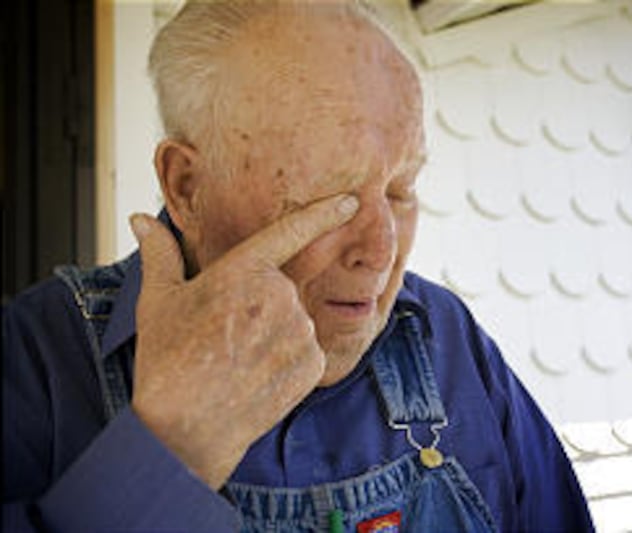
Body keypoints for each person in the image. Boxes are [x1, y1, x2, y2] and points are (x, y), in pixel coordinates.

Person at [2, 1, 594, 531]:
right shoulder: (36, 357)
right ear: (187, 186)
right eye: (330, 195)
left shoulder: (445, 337)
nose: (382, 251)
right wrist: (170, 452)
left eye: (401, 190)